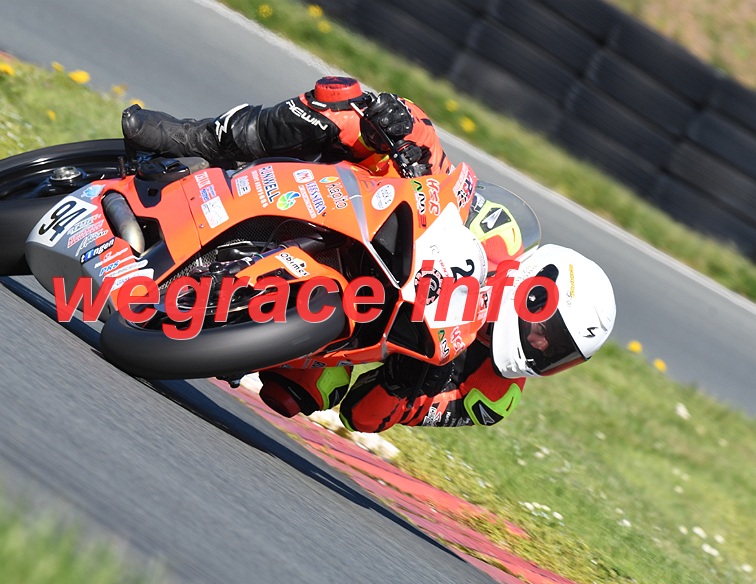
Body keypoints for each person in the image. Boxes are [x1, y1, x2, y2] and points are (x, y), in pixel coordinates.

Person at [120, 76, 617, 433]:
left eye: (558, 354)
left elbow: (362, 416)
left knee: (297, 395)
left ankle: (229, 307)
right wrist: (405, 132)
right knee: (345, 108)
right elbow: (451, 183)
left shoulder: (493, 395)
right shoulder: (502, 235)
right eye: (548, 329)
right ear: (537, 284)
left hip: (371, 326)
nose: (540, 346)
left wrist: (406, 385)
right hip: (389, 220)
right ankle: (196, 137)